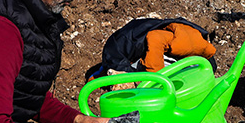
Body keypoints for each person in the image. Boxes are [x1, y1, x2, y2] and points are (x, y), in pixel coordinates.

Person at [86, 17, 217, 81]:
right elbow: (155, 39)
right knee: (127, 79)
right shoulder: (179, 43)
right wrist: (155, 80)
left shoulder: (202, 50)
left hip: (141, 38)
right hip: (124, 46)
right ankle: (103, 73)